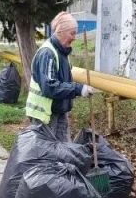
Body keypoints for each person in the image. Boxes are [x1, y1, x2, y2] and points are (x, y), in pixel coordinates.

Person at [25, 11, 97, 141]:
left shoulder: (62, 53)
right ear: (61, 32)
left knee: (63, 153)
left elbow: (63, 81)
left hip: (58, 111)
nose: (75, 37)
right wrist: (78, 89)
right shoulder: (48, 54)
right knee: (47, 154)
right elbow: (49, 87)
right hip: (44, 115)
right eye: (72, 33)